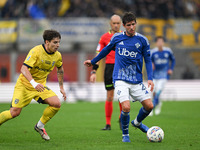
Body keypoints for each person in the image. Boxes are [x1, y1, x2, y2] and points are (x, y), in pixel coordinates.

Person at [84, 12, 154, 142]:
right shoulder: (117, 38)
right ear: (124, 25)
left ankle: (137, 123)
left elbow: (148, 60)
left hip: (136, 80)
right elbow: (105, 50)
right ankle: (125, 135)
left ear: (136, 24)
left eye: (133, 24)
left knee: (149, 106)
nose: (132, 27)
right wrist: (93, 62)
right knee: (126, 106)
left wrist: (150, 78)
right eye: (128, 25)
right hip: (120, 78)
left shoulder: (143, 40)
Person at [0, 29, 66, 141]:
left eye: (59, 42)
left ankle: (40, 126)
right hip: (25, 85)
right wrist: (33, 83)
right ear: (47, 42)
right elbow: (23, 68)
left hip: (39, 87)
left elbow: (60, 69)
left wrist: (61, 87)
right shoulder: (36, 51)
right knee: (14, 113)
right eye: (55, 42)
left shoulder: (57, 56)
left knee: (56, 104)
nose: (58, 45)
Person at [90, 14, 122, 130]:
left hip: (122, 67)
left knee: (122, 95)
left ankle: (121, 118)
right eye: (114, 23)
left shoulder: (126, 36)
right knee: (109, 96)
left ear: (121, 24)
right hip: (109, 68)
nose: (116, 25)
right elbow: (98, 55)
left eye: (118, 23)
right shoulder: (104, 38)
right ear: (110, 23)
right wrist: (93, 71)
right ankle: (108, 124)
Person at [150, 36, 175, 116]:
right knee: (153, 92)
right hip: (154, 75)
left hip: (164, 75)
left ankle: (152, 108)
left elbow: (173, 60)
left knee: (158, 91)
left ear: (163, 42)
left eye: (161, 41)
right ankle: (158, 104)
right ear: (156, 43)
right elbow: (149, 61)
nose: (160, 43)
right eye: (158, 41)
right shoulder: (153, 52)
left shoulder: (168, 51)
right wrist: (152, 64)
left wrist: (171, 69)